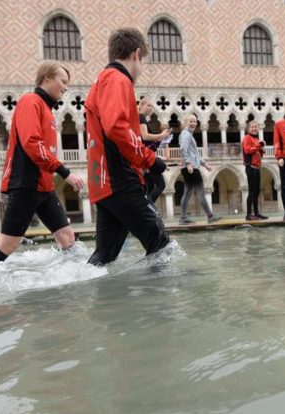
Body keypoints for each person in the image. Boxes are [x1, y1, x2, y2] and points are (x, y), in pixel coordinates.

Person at [0, 61, 85, 265]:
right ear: (46, 78)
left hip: (43, 187)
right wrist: (65, 172)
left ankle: (75, 278)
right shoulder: (31, 101)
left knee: (67, 237)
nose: (66, 87)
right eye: (62, 81)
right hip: (26, 184)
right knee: (7, 244)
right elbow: (32, 144)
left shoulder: (46, 109)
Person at [85, 28, 171, 266]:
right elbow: (117, 128)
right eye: (143, 62)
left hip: (104, 181)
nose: (141, 69)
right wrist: (150, 160)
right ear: (136, 54)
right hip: (119, 179)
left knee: (103, 257)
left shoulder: (103, 80)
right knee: (161, 243)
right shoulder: (118, 79)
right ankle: (159, 302)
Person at [178, 114, 221, 225]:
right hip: (191, 167)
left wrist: (204, 164)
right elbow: (183, 149)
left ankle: (182, 218)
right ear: (185, 122)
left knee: (187, 193)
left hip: (190, 166)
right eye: (190, 121)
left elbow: (195, 153)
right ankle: (210, 216)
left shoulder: (188, 135)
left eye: (195, 121)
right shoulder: (186, 134)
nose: (193, 123)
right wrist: (188, 164)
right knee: (201, 192)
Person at [138, 97, 171, 204]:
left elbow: (148, 141)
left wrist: (161, 138)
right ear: (141, 105)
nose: (150, 108)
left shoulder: (142, 118)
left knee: (150, 187)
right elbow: (145, 136)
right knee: (161, 185)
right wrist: (161, 135)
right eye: (148, 105)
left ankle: (148, 208)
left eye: (152, 106)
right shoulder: (141, 117)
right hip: (148, 158)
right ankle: (149, 207)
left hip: (148, 156)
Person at [242, 120, 268, 220]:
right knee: (252, 191)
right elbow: (247, 150)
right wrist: (258, 146)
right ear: (249, 128)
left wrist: (261, 150)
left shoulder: (256, 139)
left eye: (256, 127)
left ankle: (256, 213)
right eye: (252, 127)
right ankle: (248, 214)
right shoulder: (247, 138)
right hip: (251, 167)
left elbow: (257, 153)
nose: (254, 128)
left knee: (257, 191)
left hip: (257, 167)